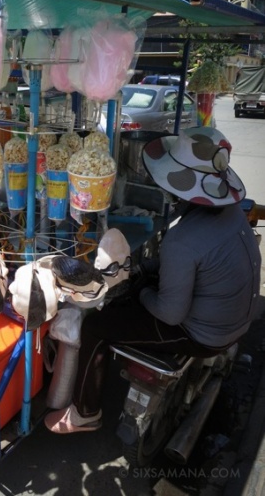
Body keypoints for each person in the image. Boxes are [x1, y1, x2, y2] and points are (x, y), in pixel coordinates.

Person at [45, 126, 262, 434]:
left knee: (95, 327)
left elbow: (170, 312)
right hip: (239, 320)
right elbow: (195, 261)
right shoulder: (232, 213)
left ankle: (84, 413)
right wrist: (145, 268)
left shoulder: (181, 240)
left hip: (204, 336)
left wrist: (142, 290)